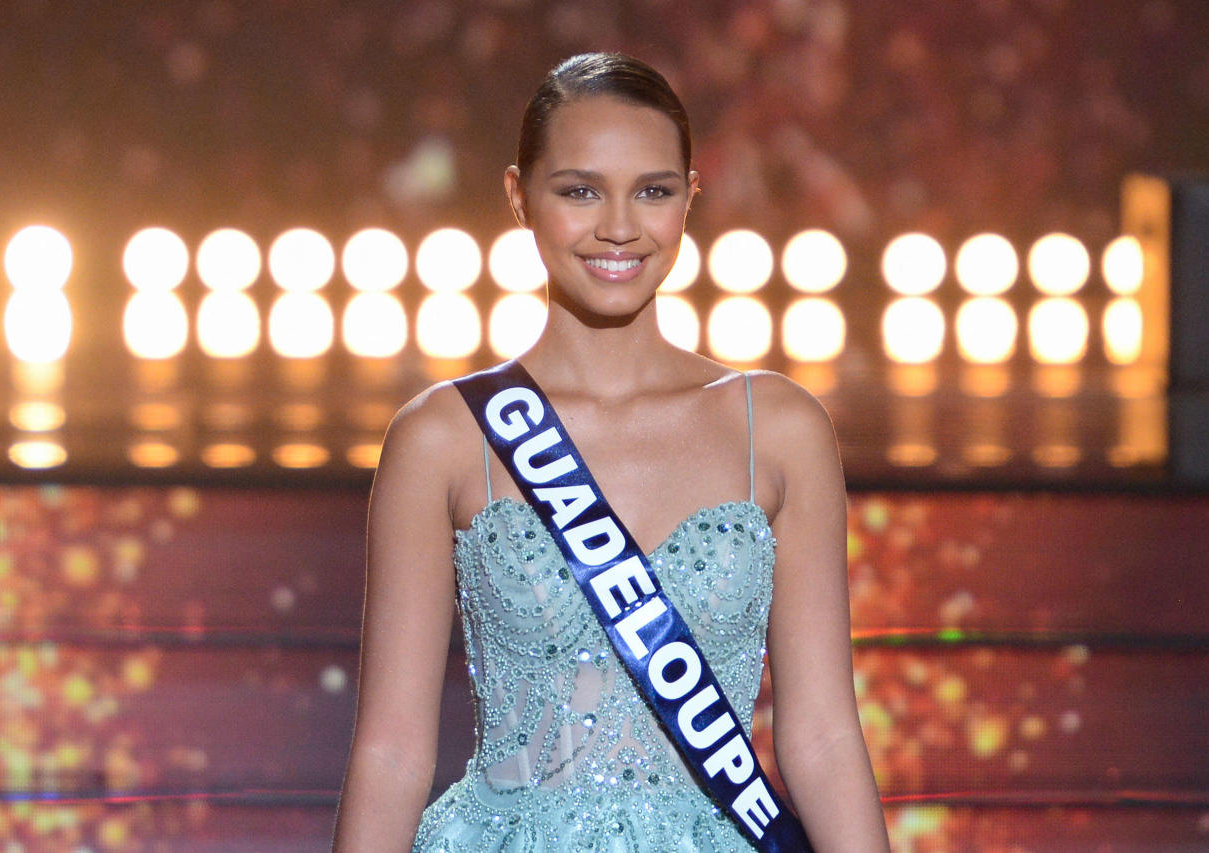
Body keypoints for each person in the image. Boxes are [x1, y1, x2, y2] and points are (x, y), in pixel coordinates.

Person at [332, 52, 889, 852]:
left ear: (691, 199)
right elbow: (390, 753)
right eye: (579, 190)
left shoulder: (780, 428)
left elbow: (824, 739)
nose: (620, 227)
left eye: (653, 191)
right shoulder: (445, 438)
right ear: (519, 197)